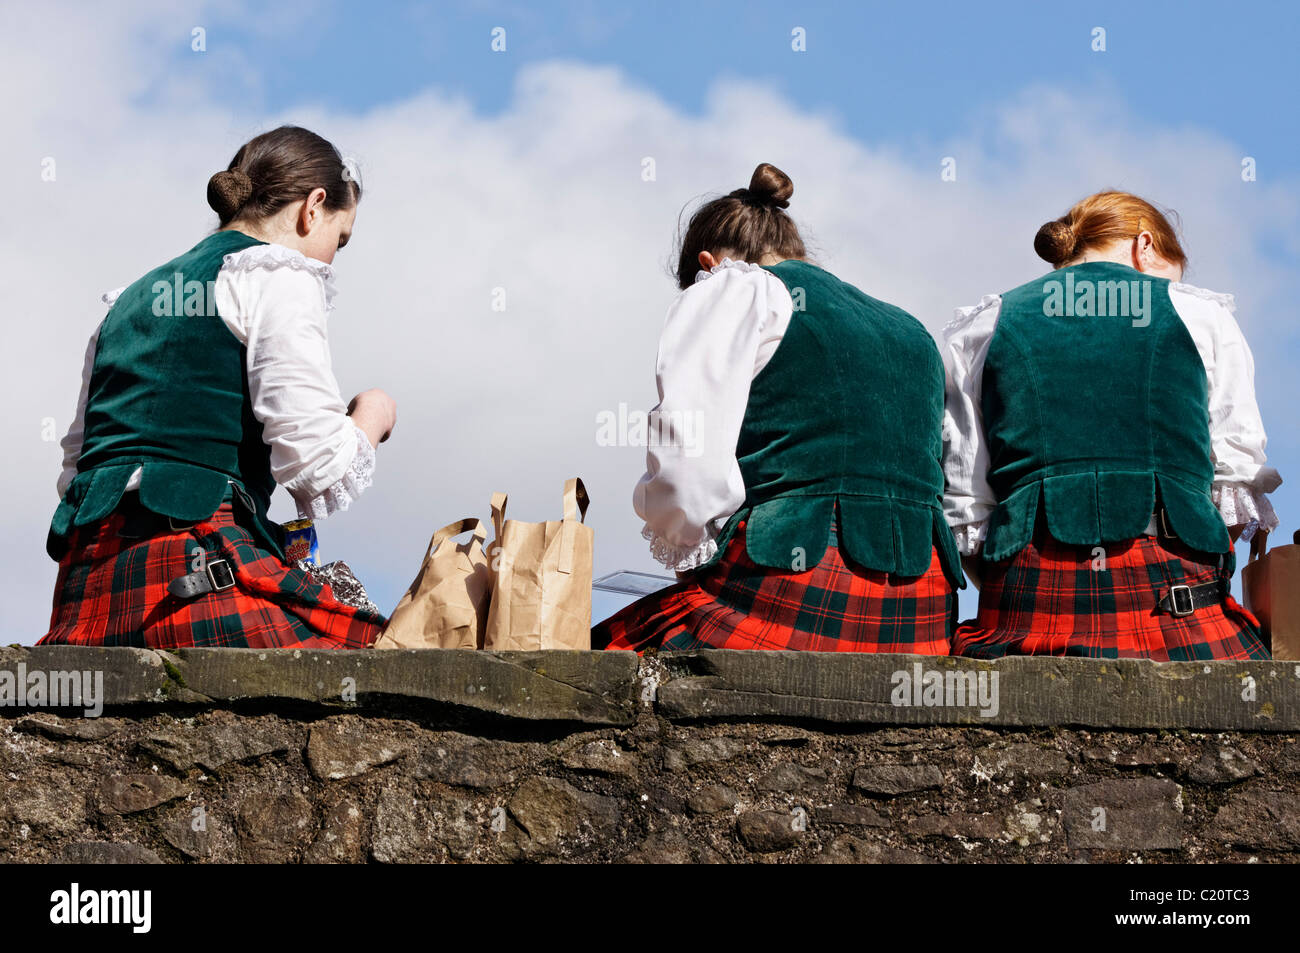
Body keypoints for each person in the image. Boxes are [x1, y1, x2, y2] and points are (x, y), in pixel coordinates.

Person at [41, 125, 397, 649]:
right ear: (313, 207)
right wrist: (372, 415)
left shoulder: (129, 299)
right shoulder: (279, 275)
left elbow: (78, 464)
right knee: (380, 656)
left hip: (84, 596)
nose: (331, 259)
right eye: (339, 240)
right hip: (194, 577)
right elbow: (318, 469)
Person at [594, 163, 962, 653]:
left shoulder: (734, 288)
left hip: (789, 591)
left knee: (596, 655)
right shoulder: (910, 329)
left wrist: (687, 553)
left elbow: (688, 462)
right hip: (923, 620)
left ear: (708, 263)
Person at [943, 190, 1280, 659]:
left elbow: (966, 503)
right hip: (1176, 614)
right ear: (1145, 246)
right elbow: (1235, 476)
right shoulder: (1202, 317)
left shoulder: (982, 327)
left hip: (1024, 617)